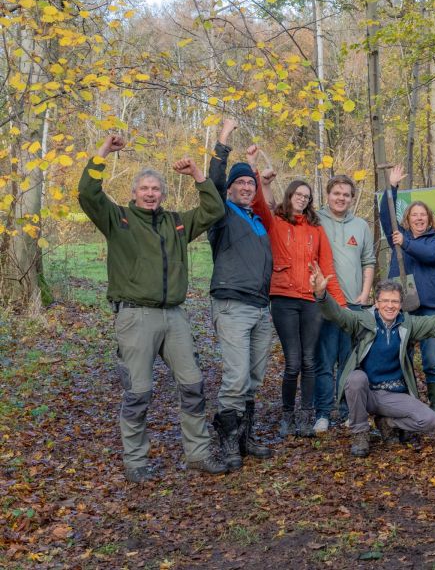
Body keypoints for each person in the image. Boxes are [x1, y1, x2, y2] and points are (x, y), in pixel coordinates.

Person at [78, 135, 227, 483]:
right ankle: (136, 462)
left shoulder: (175, 223)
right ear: (133, 193)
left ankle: (198, 454)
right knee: (139, 391)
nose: (149, 193)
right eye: (143, 188)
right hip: (135, 317)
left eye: (155, 188)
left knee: (192, 385)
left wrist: (197, 175)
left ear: (162, 193)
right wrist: (102, 153)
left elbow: (214, 210)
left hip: (174, 316)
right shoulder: (118, 220)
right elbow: (87, 194)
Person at [310, 268, 435, 457]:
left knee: (429, 420)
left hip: (393, 395)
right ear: (376, 303)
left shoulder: (408, 325)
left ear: (401, 304)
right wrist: (321, 295)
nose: (390, 306)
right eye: (385, 301)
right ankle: (360, 433)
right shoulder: (363, 321)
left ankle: (387, 423)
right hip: (366, 392)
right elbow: (338, 315)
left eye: (394, 301)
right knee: (355, 378)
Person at [255, 166, 346, 438]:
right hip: (283, 299)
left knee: (309, 360)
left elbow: (327, 267)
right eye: (298, 194)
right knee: (292, 361)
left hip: (310, 301)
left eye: (307, 196)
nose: (302, 199)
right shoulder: (275, 222)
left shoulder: (316, 230)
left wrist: (340, 306)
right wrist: (264, 182)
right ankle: (287, 415)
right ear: (290, 195)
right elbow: (260, 204)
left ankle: (306, 415)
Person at [206, 119, 274, 469]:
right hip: (232, 304)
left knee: (253, 376)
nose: (246, 187)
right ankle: (228, 444)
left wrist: (261, 171)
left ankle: (246, 438)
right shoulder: (221, 213)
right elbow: (214, 184)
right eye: (241, 183)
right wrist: (223, 140)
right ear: (231, 189)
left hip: (262, 308)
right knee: (235, 376)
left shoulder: (257, 220)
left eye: (250, 182)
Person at [378, 165, 435, 418]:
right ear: (407, 219)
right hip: (403, 310)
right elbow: (386, 216)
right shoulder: (397, 237)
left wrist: (406, 243)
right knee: (402, 359)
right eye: (414, 215)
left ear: (430, 220)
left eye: (423, 215)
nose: (419, 218)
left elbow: (432, 257)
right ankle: (407, 405)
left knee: (431, 360)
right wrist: (392, 187)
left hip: (431, 310)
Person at [315, 175, 376, 429]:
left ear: (352, 198)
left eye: (346, 194)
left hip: (353, 304)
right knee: (324, 360)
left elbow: (368, 261)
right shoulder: (315, 220)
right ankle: (323, 413)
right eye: (336, 193)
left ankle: (346, 410)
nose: (341, 198)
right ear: (328, 195)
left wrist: (365, 293)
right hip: (324, 303)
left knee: (349, 360)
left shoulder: (361, 225)